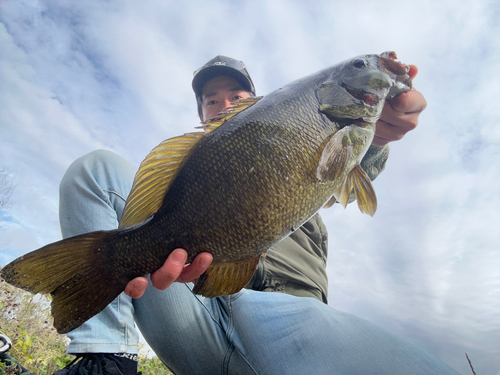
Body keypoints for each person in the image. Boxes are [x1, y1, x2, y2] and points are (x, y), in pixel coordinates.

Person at [48, 55, 459, 375]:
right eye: (212, 100)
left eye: (236, 96)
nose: (224, 103)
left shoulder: (315, 146)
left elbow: (356, 164)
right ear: (203, 113)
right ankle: (102, 358)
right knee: (97, 168)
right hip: (191, 306)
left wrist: (381, 133)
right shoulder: (197, 169)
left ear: (258, 98)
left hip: (290, 321)